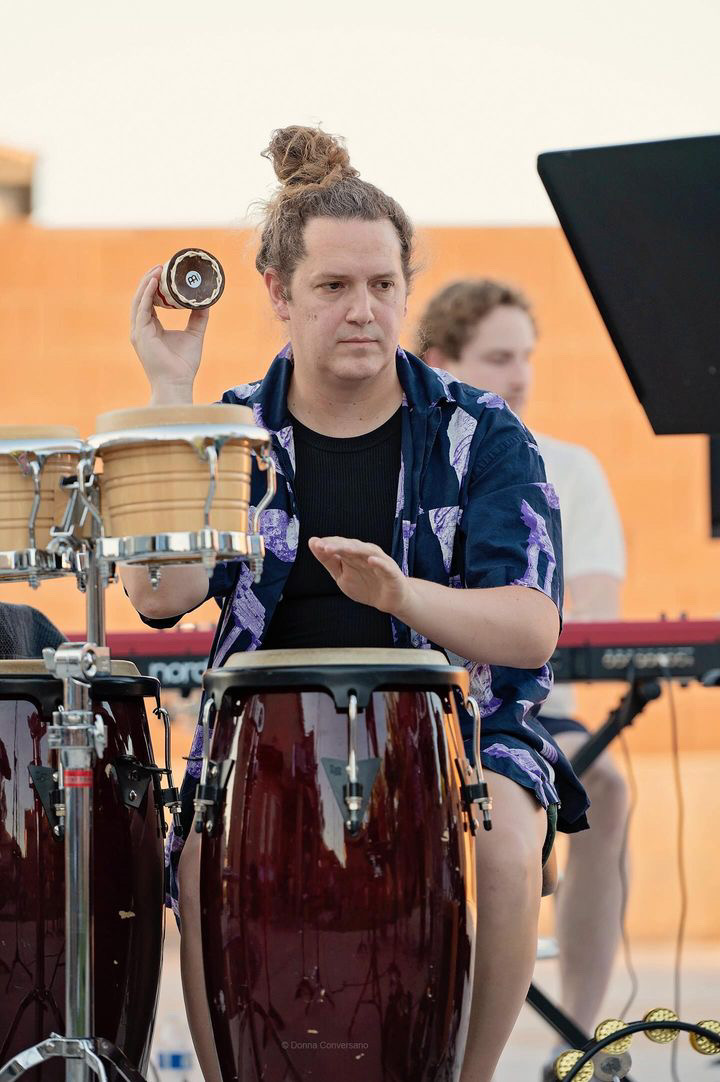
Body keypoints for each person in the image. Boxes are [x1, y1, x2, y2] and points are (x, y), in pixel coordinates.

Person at [124, 127, 589, 1082]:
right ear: (279, 293)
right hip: (260, 738)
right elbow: (158, 595)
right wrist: (172, 390)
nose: (363, 310)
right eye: (333, 287)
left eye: (383, 285)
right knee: (198, 853)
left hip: (459, 729)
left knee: (504, 846)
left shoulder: (481, 431)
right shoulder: (227, 431)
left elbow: (532, 624)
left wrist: (400, 595)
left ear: (407, 289)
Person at [418, 279, 628, 1077]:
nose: (520, 375)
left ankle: (579, 1033)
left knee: (606, 784)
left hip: (538, 712)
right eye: (497, 357)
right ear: (441, 362)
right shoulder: (417, 462)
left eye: (527, 357)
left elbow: (595, 621)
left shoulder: (573, 470)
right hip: (432, 710)